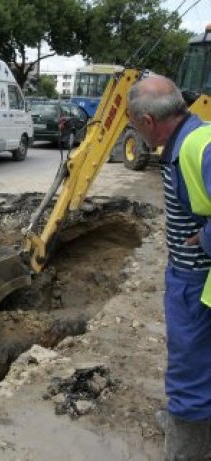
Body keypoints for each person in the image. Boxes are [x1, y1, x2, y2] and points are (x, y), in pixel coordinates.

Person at [127, 76, 211, 460]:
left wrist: (206, 240)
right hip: (189, 275)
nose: (133, 131)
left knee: (189, 370)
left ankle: (186, 449)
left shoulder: (199, 147)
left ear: (147, 120)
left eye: (132, 124)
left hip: (198, 282)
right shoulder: (187, 140)